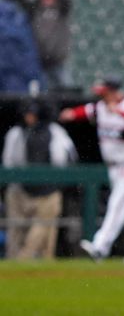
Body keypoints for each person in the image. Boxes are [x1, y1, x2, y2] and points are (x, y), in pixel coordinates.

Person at [59, 75, 124, 261]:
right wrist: (72, 113)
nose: (102, 95)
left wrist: (120, 112)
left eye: (104, 92)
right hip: (114, 167)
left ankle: (100, 247)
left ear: (113, 91)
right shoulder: (101, 107)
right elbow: (86, 111)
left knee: (117, 204)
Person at [3, 99, 77, 259]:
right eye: (27, 114)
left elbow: (65, 160)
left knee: (44, 234)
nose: (29, 117)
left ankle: (25, 261)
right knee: (16, 230)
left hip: (48, 190)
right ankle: (14, 261)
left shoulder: (56, 131)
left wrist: (56, 183)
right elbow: (9, 162)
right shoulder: (16, 133)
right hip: (21, 189)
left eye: (33, 114)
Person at [30, 0, 73, 90]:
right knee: (45, 93)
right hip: (40, 60)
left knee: (66, 89)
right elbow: (25, 0)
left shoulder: (61, 10)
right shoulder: (36, 12)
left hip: (58, 60)